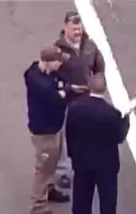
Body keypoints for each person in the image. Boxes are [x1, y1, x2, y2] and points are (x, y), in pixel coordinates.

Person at [65, 75, 130, 214]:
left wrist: (72, 154)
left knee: (81, 195)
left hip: (82, 159)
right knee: (107, 197)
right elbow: (119, 137)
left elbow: (69, 133)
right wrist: (126, 120)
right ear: (105, 89)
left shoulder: (75, 108)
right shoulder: (110, 113)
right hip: (106, 163)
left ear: (88, 87)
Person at [53, 10, 106, 190]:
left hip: (86, 98)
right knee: (66, 137)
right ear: (65, 28)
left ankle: (86, 166)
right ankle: (63, 172)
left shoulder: (90, 45)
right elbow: (53, 76)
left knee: (87, 135)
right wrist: (68, 88)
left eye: (79, 28)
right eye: (74, 29)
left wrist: (97, 83)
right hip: (66, 101)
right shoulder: (58, 50)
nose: (77, 32)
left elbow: (100, 66)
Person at [24, 46, 71, 214]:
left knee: (54, 159)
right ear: (48, 61)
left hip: (55, 127)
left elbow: (63, 84)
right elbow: (58, 99)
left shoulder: (48, 74)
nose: (60, 65)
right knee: (43, 167)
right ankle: (38, 205)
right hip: (44, 131)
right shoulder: (38, 81)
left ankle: (49, 189)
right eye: (58, 62)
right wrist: (62, 91)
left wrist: (62, 89)